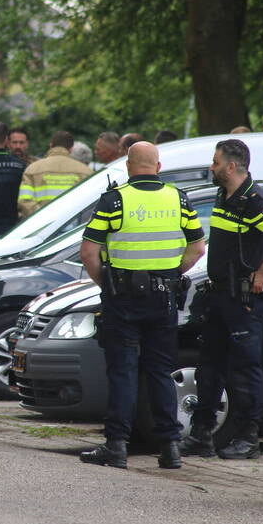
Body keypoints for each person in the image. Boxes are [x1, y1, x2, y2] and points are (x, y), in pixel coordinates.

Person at [78, 142, 206, 469]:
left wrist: (107, 286)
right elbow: (197, 248)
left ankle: (117, 446)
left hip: (123, 298)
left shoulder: (115, 200)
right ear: (158, 167)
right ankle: (170, 447)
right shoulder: (178, 199)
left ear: (128, 166)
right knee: (160, 371)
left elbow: (88, 252)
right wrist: (170, 275)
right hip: (164, 297)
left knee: (123, 370)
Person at [180, 139, 263, 460]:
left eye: (215, 162)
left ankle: (248, 438)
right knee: (209, 367)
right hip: (220, 295)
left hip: (244, 300)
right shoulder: (225, 194)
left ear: (231, 166)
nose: (211, 167)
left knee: (245, 369)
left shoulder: (254, 201)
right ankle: (202, 434)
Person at [17, 130, 92, 218]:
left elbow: (25, 200)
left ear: (51, 145)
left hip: (41, 223)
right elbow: (90, 203)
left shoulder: (32, 169)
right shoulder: (86, 171)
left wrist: (42, 218)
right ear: (71, 148)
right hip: (72, 223)